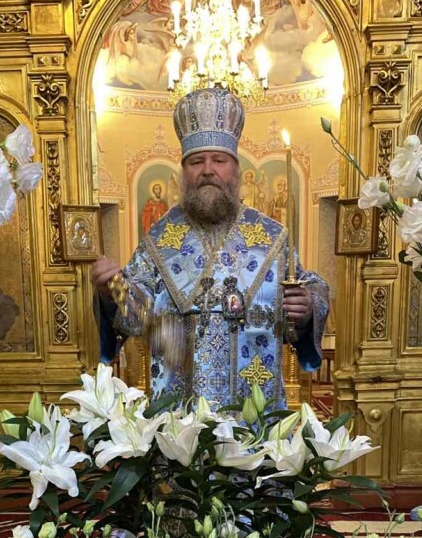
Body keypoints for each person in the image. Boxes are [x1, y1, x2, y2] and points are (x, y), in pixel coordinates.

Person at [91, 86, 329, 407]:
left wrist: (308, 305)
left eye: (219, 160)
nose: (207, 170)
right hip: (179, 416)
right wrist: (111, 289)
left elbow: (303, 291)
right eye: (196, 161)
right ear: (183, 172)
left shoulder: (270, 236)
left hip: (253, 412)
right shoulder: (159, 239)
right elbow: (137, 317)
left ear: (235, 170)